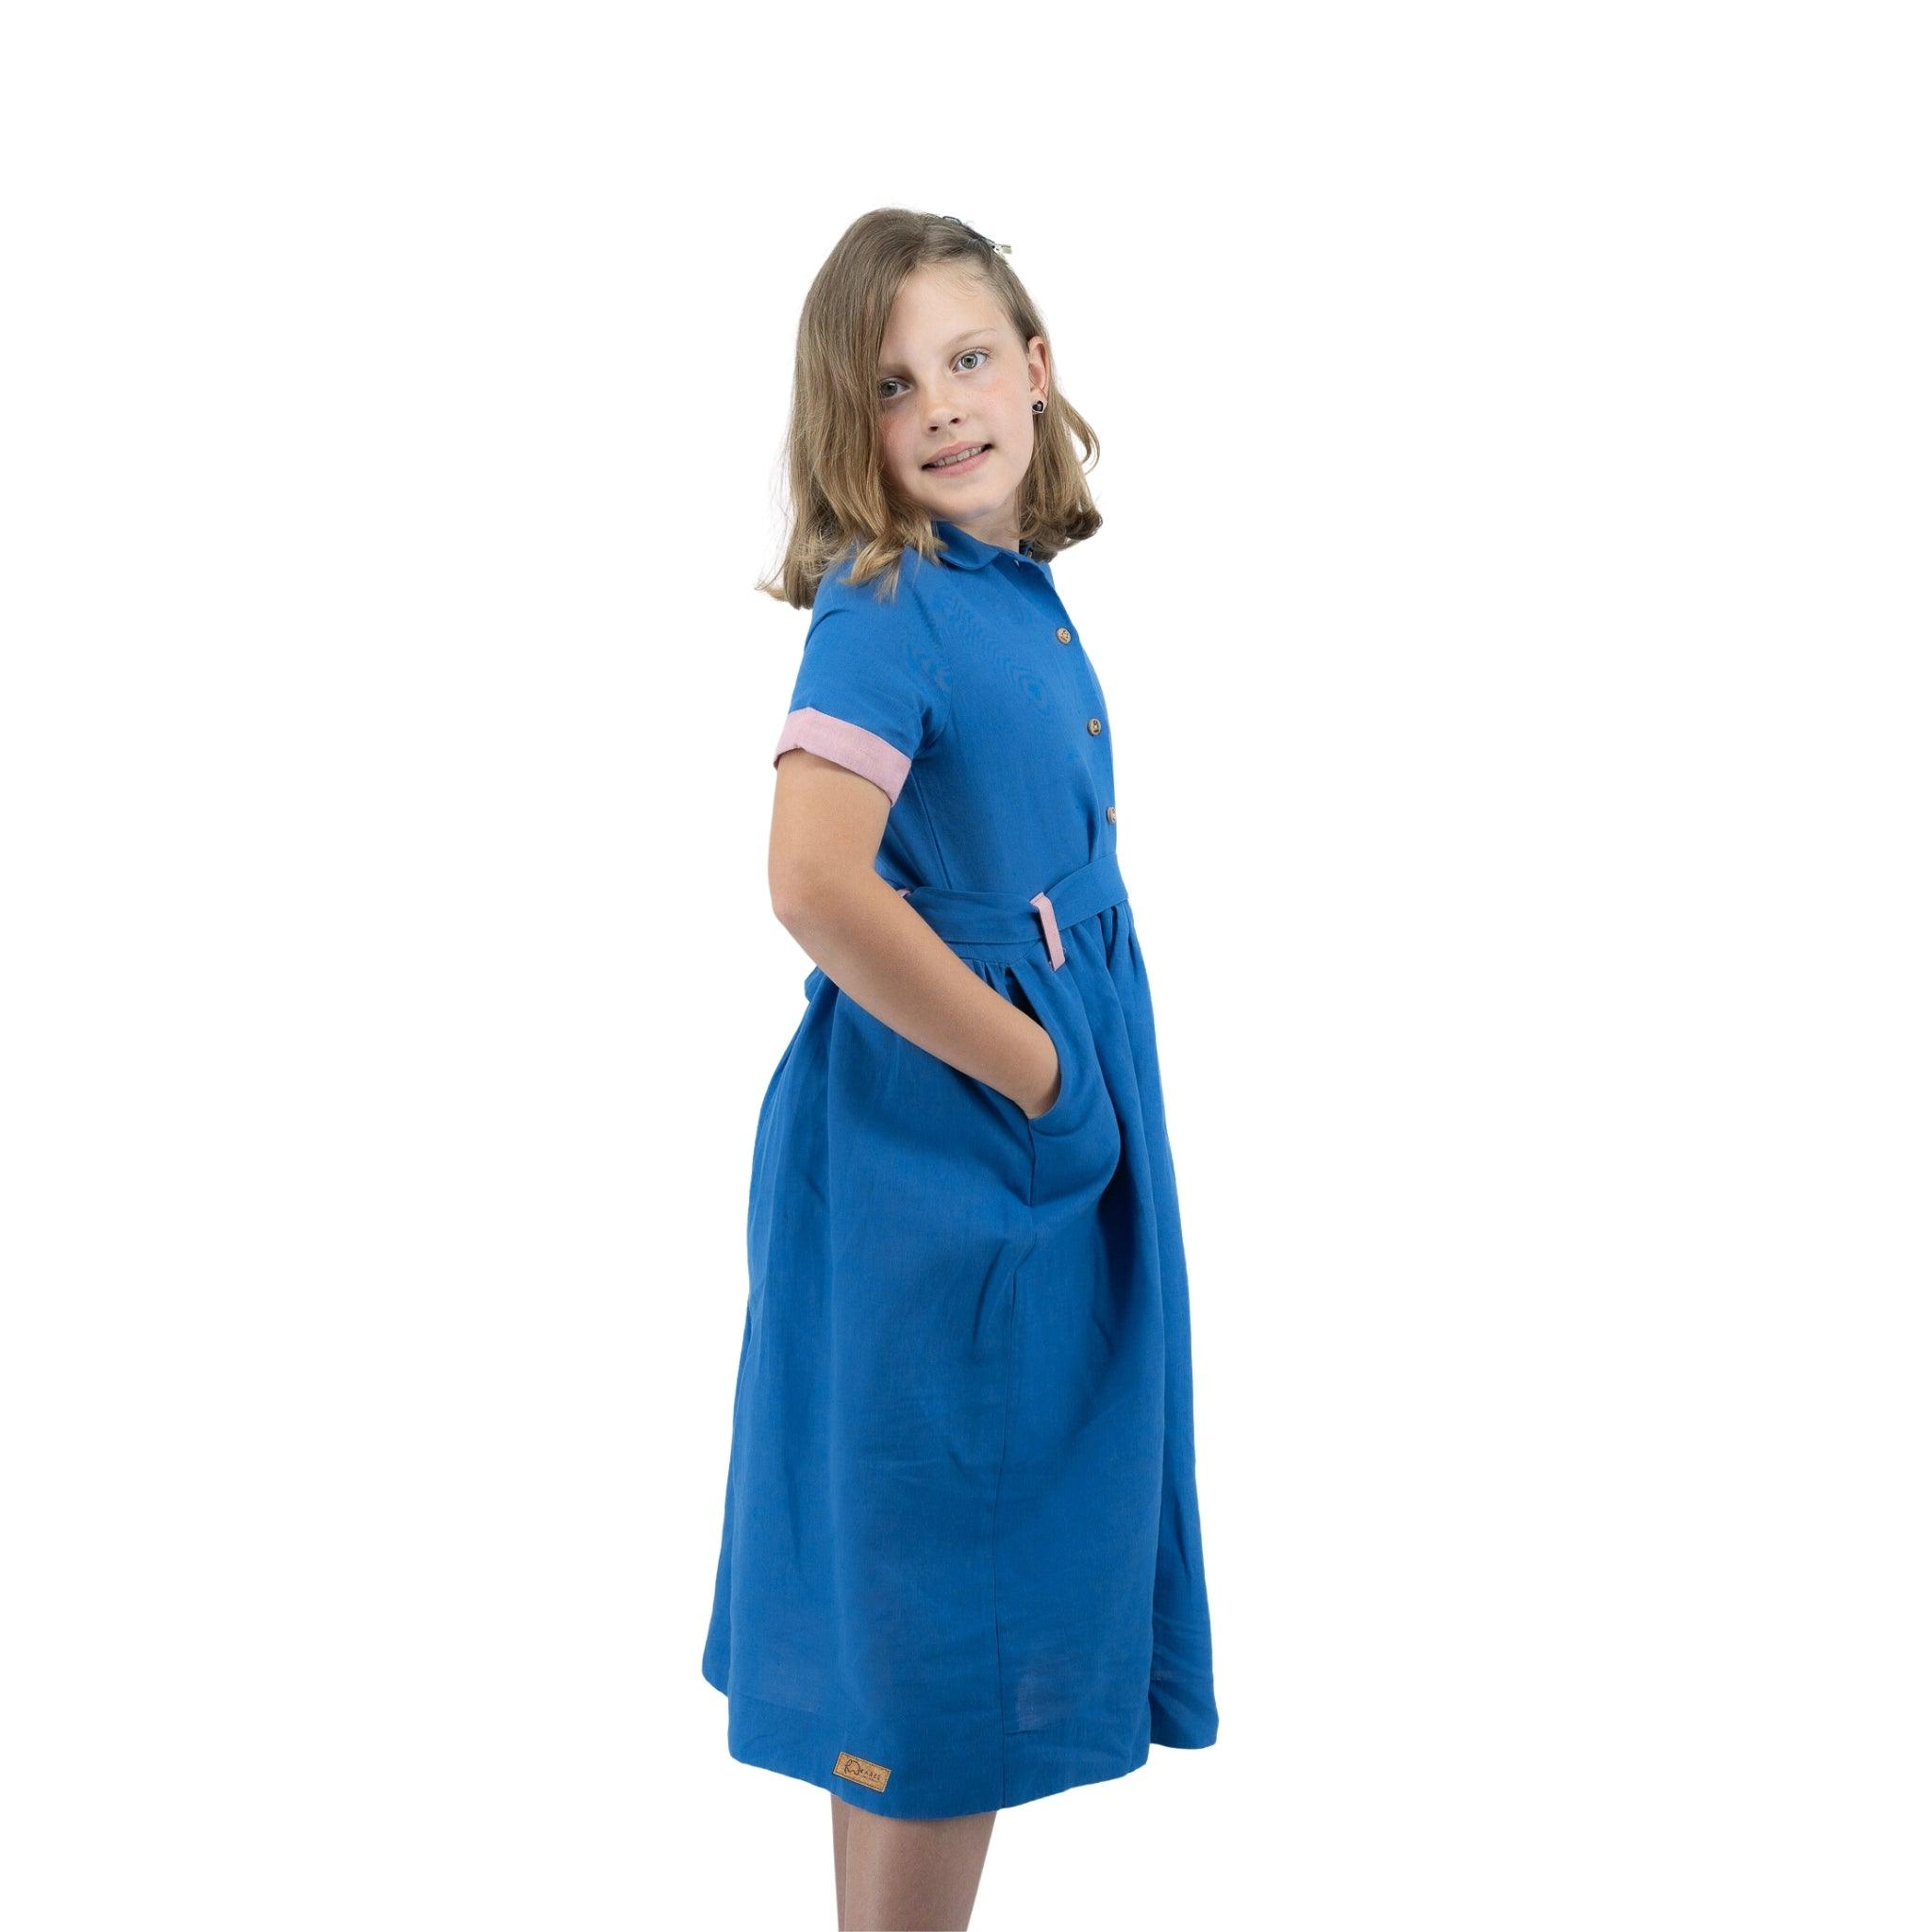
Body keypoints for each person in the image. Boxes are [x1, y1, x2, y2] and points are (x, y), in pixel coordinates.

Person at [701, 208, 1218, 1929]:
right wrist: (1035, 1074)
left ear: (1040, 366)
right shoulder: (886, 608)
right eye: (891, 383)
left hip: (1006, 1136)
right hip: (951, 1157)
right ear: (845, 428)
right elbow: (810, 876)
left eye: (970, 358)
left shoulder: (1006, 589)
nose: (940, 405)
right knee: (944, 1625)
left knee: (949, 1617)